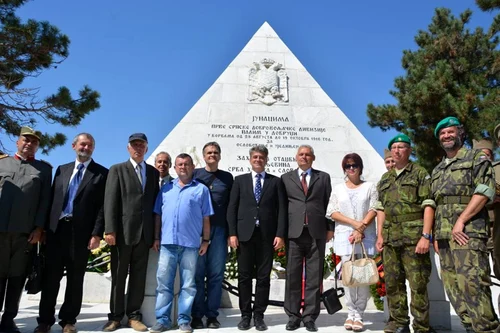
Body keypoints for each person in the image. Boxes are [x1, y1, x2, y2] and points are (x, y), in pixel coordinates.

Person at [34, 133, 108, 333]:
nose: (86, 148)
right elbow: (51, 201)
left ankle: (68, 321)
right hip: (56, 232)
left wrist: (96, 234)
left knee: (76, 280)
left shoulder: (101, 173)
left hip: (81, 234)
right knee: (51, 278)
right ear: (74, 145)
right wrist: (42, 229)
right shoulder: (61, 170)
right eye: (83, 144)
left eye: (90, 145)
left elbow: (102, 208)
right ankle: (45, 320)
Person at [431, 117, 499, 333]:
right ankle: (470, 328)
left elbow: (485, 190)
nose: (446, 136)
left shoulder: (475, 158)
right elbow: (436, 203)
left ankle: (487, 329)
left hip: (468, 233)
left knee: (473, 285)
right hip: (444, 237)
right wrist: (435, 235)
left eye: (450, 132)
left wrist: (461, 220)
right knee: (453, 287)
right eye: (442, 133)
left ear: (460, 134)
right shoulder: (438, 169)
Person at [375, 134, 434, 333]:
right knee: (393, 283)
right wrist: (380, 235)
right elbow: (381, 209)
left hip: (414, 238)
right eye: (394, 147)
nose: (397, 150)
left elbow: (428, 205)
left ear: (409, 150)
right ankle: (399, 323)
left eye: (402, 147)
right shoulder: (385, 178)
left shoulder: (419, 173)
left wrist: (426, 236)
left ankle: (421, 326)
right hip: (391, 238)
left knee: (417, 285)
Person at [150, 153, 213, 333]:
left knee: (188, 285)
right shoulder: (166, 189)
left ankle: (184, 320)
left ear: (193, 167)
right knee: (163, 284)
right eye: (179, 165)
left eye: (186, 164)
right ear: (175, 168)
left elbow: (206, 218)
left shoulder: (201, 190)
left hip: (190, 245)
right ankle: (162, 320)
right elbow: (158, 215)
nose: (183, 167)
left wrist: (206, 240)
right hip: (167, 244)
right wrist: (156, 238)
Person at [103, 133, 159, 332]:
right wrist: (109, 229)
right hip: (122, 234)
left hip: (144, 235)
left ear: (146, 148)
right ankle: (116, 317)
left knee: (138, 277)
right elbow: (110, 201)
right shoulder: (117, 169)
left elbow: (154, 205)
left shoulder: (152, 173)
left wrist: (155, 235)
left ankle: (134, 316)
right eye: (134, 145)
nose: (138, 148)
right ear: (128, 148)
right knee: (118, 277)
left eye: (141, 145)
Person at [227, 145, 287, 331]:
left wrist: (280, 234)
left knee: (263, 278)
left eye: (261, 157)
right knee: (244, 277)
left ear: (266, 159)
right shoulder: (240, 181)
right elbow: (232, 209)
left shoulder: (275, 182)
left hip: (266, 237)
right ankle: (245, 316)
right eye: (255, 157)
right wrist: (232, 233)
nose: (258, 160)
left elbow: (282, 211)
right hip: (245, 236)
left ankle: (259, 315)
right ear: (250, 159)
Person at [0, 127, 52, 333]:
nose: (29, 144)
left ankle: (8, 318)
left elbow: (45, 202)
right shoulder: (2, 163)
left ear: (37, 146)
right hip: (0, 232)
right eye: (25, 140)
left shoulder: (44, 170)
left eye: (34, 142)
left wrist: (39, 228)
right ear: (17, 142)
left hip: (25, 234)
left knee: (17, 277)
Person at [281, 145, 332, 332]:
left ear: (313, 157)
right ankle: (293, 316)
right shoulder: (286, 178)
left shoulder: (323, 177)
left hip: (316, 233)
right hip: (293, 233)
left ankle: (310, 316)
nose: (304, 157)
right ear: (296, 157)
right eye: (301, 154)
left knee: (314, 276)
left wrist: (330, 229)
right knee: (292, 276)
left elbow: (329, 205)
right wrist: (281, 233)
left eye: (308, 154)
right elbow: (282, 207)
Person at [326, 153, 377, 332]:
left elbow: (374, 209)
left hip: (365, 236)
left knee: (362, 276)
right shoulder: (338, 189)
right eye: (348, 166)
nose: (351, 168)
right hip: (345, 237)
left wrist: (360, 228)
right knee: (348, 277)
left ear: (360, 167)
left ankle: (360, 314)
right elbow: (332, 212)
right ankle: (351, 312)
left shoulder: (369, 187)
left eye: (354, 165)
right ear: (344, 169)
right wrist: (355, 224)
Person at [191, 142, 234, 329]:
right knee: (198, 275)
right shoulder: (195, 175)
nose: (212, 155)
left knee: (216, 275)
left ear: (220, 155)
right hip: (198, 232)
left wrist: (231, 233)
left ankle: (212, 315)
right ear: (203, 155)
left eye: (216, 152)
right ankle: (197, 314)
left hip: (219, 230)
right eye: (209, 152)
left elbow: (232, 207)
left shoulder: (227, 178)